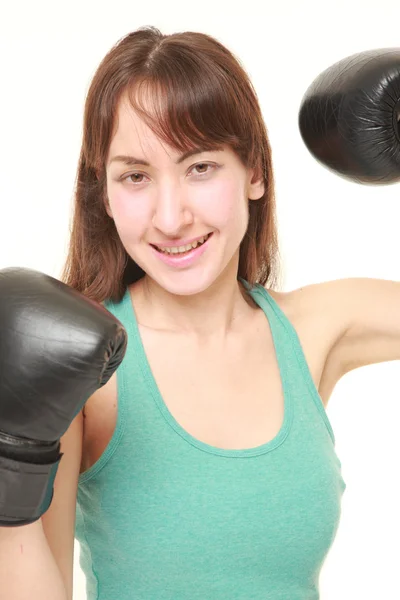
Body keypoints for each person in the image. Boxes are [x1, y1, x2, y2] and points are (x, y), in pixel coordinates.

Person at [1, 26, 399, 600]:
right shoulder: (85, 366)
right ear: (105, 195)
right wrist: (9, 464)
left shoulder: (314, 330)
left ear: (255, 173)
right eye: (135, 176)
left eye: (200, 167)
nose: (170, 217)